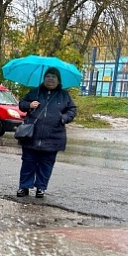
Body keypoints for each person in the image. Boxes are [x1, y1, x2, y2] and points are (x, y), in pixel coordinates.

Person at [16, 67, 77, 198]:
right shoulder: (35, 92)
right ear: (44, 79)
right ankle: (24, 186)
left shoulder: (64, 95)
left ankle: (40, 187)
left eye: (53, 77)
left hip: (53, 136)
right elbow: (21, 104)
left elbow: (72, 110)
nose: (50, 79)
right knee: (28, 162)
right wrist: (29, 105)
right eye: (48, 76)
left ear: (58, 80)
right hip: (31, 135)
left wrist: (64, 118)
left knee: (46, 164)